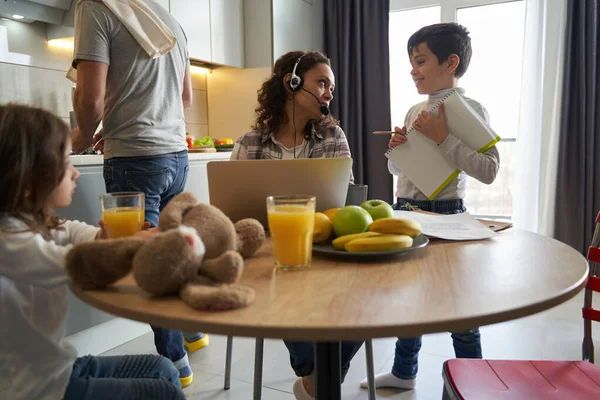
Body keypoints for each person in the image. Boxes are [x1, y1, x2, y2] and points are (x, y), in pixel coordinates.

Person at [0, 104, 185, 400]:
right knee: (163, 393)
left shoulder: (33, 222)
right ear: (27, 181)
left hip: (56, 368)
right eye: (65, 163)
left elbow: (72, 232)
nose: (75, 173)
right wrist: (134, 245)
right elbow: (76, 264)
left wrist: (106, 235)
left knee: (163, 369)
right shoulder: (8, 240)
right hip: (34, 390)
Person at [69, 0, 207, 387]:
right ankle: (192, 333)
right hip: (175, 155)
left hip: (135, 157)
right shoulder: (168, 21)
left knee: (148, 261)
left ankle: (175, 361)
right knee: (170, 248)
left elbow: (90, 99)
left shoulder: (95, 8)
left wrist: (78, 137)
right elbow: (185, 100)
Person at [360, 23, 500, 391]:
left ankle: (473, 380)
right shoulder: (413, 110)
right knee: (410, 301)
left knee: (460, 307)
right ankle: (404, 372)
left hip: (449, 214)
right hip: (406, 210)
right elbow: (396, 170)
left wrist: (443, 138)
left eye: (420, 60)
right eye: (411, 62)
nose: (412, 69)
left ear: (450, 62)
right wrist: (397, 148)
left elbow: (490, 170)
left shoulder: (471, 109)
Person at [231, 50, 362, 400]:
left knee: (366, 303)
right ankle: (318, 383)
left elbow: (346, 206)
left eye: (331, 87)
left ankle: (313, 384)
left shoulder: (335, 138)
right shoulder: (250, 143)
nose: (329, 93)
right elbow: (235, 215)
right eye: (321, 83)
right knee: (286, 293)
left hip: (323, 252)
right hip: (271, 257)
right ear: (291, 83)